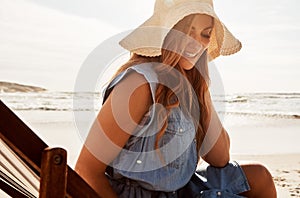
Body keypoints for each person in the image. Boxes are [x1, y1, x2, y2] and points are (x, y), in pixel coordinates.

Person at [75, 0, 277, 197]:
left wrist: (201, 89)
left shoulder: (188, 85)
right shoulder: (139, 85)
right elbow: (86, 170)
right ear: (166, 31)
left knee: (260, 177)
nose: (197, 42)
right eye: (186, 30)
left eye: (206, 34)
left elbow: (220, 158)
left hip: (181, 188)